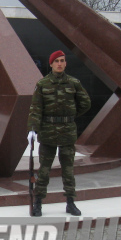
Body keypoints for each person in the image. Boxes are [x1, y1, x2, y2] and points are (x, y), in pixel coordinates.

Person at [27, 50, 91, 217]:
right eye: (56, 61)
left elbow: (86, 103)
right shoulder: (42, 84)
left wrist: (70, 116)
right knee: (44, 170)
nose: (60, 64)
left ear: (65, 63)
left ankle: (70, 202)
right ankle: (38, 203)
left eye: (62, 61)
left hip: (67, 131)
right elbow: (36, 108)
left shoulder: (73, 83)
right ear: (51, 64)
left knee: (68, 169)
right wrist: (33, 128)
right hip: (48, 131)